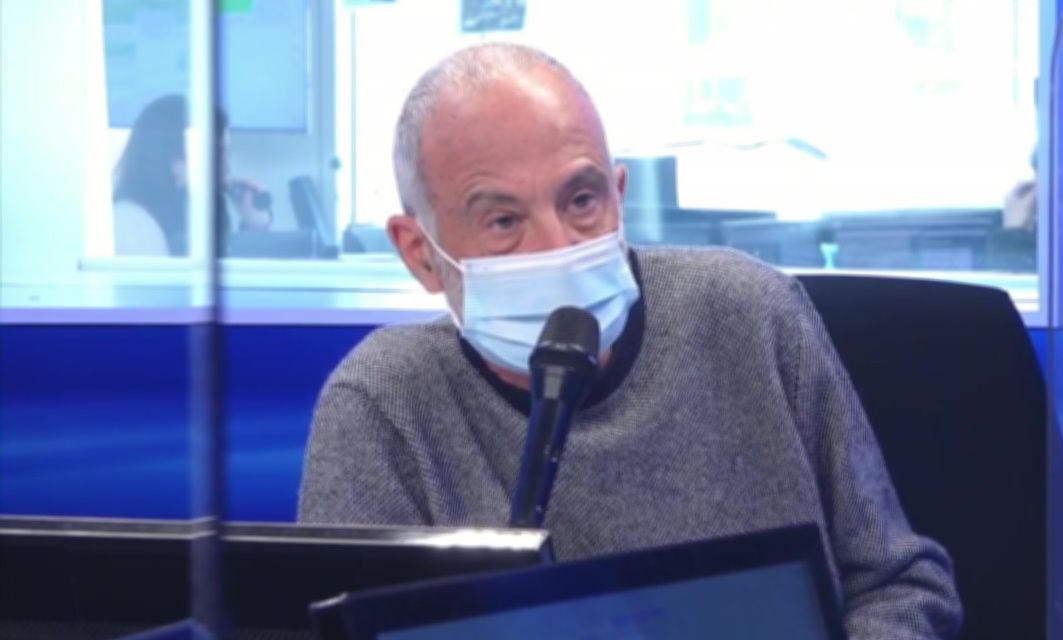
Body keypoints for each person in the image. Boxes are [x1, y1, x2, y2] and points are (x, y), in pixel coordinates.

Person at [298, 43, 962, 638]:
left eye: (581, 201)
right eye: (503, 221)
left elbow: (899, 586)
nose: (557, 246)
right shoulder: (384, 404)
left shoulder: (752, 315)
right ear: (420, 253)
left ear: (618, 197)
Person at [112, 94, 273, 256]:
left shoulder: (202, 209)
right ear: (174, 159)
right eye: (217, 153)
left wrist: (255, 226)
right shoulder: (132, 222)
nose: (227, 167)